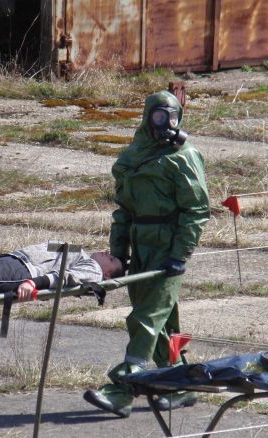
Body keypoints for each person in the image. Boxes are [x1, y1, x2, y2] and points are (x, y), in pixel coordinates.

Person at [83, 91, 210, 418]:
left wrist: (180, 253)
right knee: (160, 321)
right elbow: (123, 211)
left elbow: (197, 210)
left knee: (145, 318)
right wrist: (118, 255)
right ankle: (180, 384)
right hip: (141, 243)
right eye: (159, 116)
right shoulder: (133, 156)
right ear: (147, 116)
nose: (166, 124)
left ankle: (122, 390)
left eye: (172, 116)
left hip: (168, 245)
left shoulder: (184, 156)